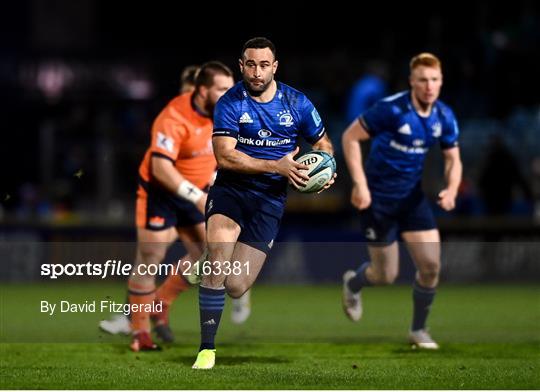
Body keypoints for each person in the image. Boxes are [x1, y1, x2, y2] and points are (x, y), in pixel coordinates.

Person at [191, 37, 336, 369]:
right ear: (241, 66)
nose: (257, 72)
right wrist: (278, 165)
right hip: (231, 191)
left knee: (237, 285)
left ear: (275, 67)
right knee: (218, 265)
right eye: (251, 64)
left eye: (264, 65)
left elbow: (323, 142)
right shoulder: (230, 102)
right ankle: (207, 349)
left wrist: (326, 169)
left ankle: (213, 257)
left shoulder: (297, 103)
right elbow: (225, 157)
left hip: (270, 200)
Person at [341, 53, 462, 349]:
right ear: (412, 81)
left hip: (411, 199)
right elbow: (350, 138)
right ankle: (353, 283)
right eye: (422, 80)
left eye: (434, 80)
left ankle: (418, 330)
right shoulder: (391, 109)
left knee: (431, 265)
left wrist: (452, 189)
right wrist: (360, 185)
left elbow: (453, 160)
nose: (429, 86)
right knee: (385, 275)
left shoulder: (444, 116)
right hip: (377, 199)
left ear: (441, 82)